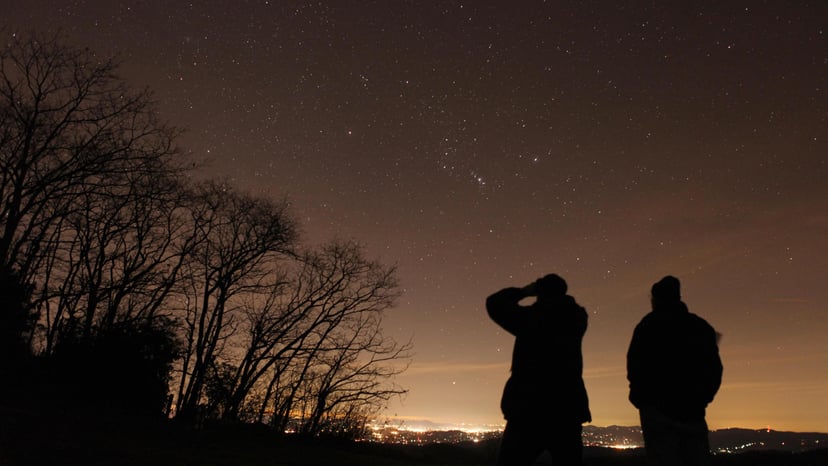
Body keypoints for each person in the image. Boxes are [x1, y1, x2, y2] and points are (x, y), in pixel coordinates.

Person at [487, 274, 591, 466]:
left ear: (540, 293)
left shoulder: (532, 319)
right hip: (567, 407)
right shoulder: (577, 317)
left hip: (529, 408)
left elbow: (494, 303)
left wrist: (524, 291)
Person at [627, 276, 723, 465]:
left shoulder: (648, 325)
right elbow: (714, 368)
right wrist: (703, 399)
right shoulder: (700, 327)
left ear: (656, 298)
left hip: (656, 412)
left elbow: (635, 366)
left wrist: (641, 399)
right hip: (692, 411)